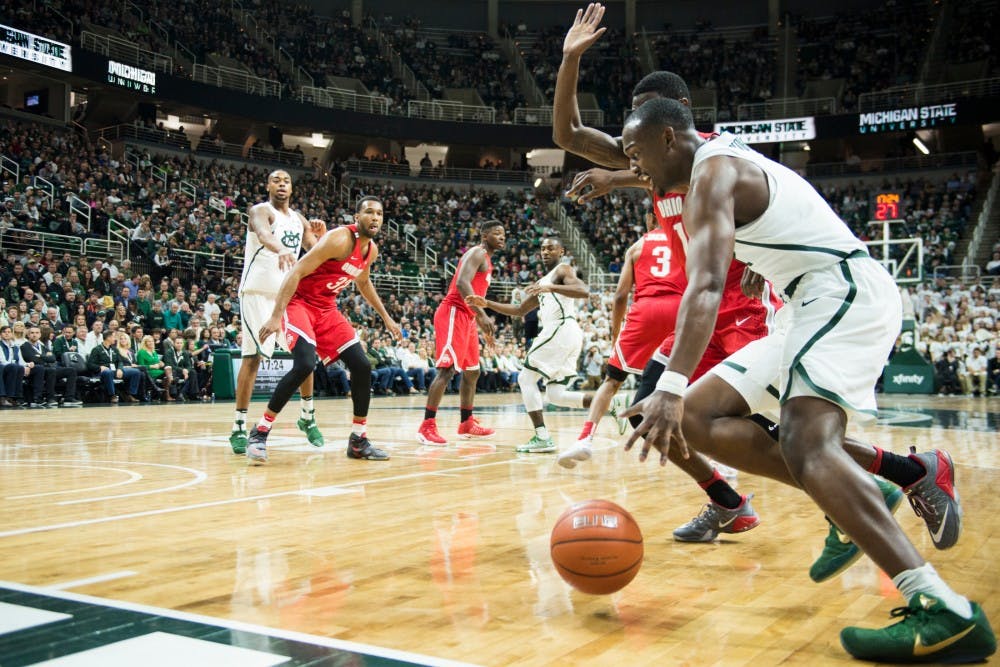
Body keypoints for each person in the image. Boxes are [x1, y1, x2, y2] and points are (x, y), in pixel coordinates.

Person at [618, 96, 995, 662]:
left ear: (669, 138)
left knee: (803, 439)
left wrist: (667, 386)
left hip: (840, 291)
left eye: (635, 151)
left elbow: (705, 286)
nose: (633, 165)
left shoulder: (711, 177)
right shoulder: (712, 167)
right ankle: (894, 481)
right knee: (700, 416)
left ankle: (945, 610)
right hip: (804, 304)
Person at [551, 5, 768, 541]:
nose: (633, 139)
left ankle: (861, 486)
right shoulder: (648, 161)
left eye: (644, 125)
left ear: (677, 120)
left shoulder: (722, 159)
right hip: (701, 312)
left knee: (776, 431)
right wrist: (569, 60)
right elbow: (568, 133)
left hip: (741, 307)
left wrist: (762, 262)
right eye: (629, 132)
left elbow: (766, 210)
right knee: (645, 410)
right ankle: (727, 502)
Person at [251, 195, 398, 464]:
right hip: (301, 303)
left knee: (362, 366)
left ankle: (358, 440)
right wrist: (276, 316)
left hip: (326, 309)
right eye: (368, 212)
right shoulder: (340, 239)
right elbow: (295, 272)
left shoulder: (371, 250)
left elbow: (363, 283)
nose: (374, 217)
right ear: (357, 217)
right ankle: (259, 432)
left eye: (379, 213)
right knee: (305, 364)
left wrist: (387, 318)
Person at [229, 170, 326, 454]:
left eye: (286, 181)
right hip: (256, 294)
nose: (281, 184)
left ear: (292, 188)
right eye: (276, 180)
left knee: (306, 355)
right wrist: (282, 247)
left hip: (286, 297)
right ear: (268, 185)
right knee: (252, 358)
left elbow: (318, 255)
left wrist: (319, 238)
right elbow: (263, 233)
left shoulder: (299, 220)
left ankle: (307, 417)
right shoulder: (261, 210)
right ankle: (238, 426)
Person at [467, 237, 592, 453]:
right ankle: (611, 403)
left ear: (561, 251)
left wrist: (549, 288)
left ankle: (542, 437)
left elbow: (583, 291)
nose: (545, 251)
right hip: (567, 333)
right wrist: (487, 304)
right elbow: (519, 310)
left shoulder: (562, 270)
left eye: (551, 248)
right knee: (556, 395)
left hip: (560, 328)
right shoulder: (543, 282)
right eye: (542, 248)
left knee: (525, 377)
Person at [416, 220, 505, 446]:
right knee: (447, 371)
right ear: (484, 235)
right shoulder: (477, 253)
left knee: (473, 371)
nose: (502, 237)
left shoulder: (487, 259)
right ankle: (426, 426)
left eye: (504, 234)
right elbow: (463, 283)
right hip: (454, 312)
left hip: (468, 317)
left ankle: (466, 423)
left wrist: (479, 319)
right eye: (497, 233)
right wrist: (482, 315)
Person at [137, 334, 173, 401]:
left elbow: (157, 362)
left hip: (158, 371)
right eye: (149, 341)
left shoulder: (154, 352)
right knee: (168, 374)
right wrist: (152, 366)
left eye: (152, 341)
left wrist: (161, 364)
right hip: (149, 373)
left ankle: (165, 394)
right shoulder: (141, 352)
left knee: (167, 372)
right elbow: (140, 366)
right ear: (145, 343)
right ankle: (171, 384)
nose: (151, 343)